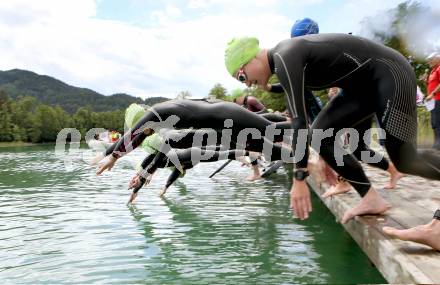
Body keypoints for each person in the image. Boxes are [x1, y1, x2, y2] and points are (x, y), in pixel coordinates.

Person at [224, 34, 440, 232]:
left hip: (391, 72)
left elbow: (299, 122)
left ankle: (388, 177)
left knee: (406, 158)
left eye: (242, 77)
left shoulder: (285, 55)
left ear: (251, 59)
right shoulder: (283, 63)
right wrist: (270, 88)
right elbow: (298, 102)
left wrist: (299, 178)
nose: (248, 84)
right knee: (320, 133)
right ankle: (371, 198)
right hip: (362, 87)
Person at [425, 52, 440, 150]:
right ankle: (436, 144)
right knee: (434, 122)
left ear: (437, 59)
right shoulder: (432, 71)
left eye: (431, 59)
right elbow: (431, 85)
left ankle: (438, 145)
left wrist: (432, 94)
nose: (429, 61)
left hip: (438, 99)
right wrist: (425, 80)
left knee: (438, 122)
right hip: (432, 101)